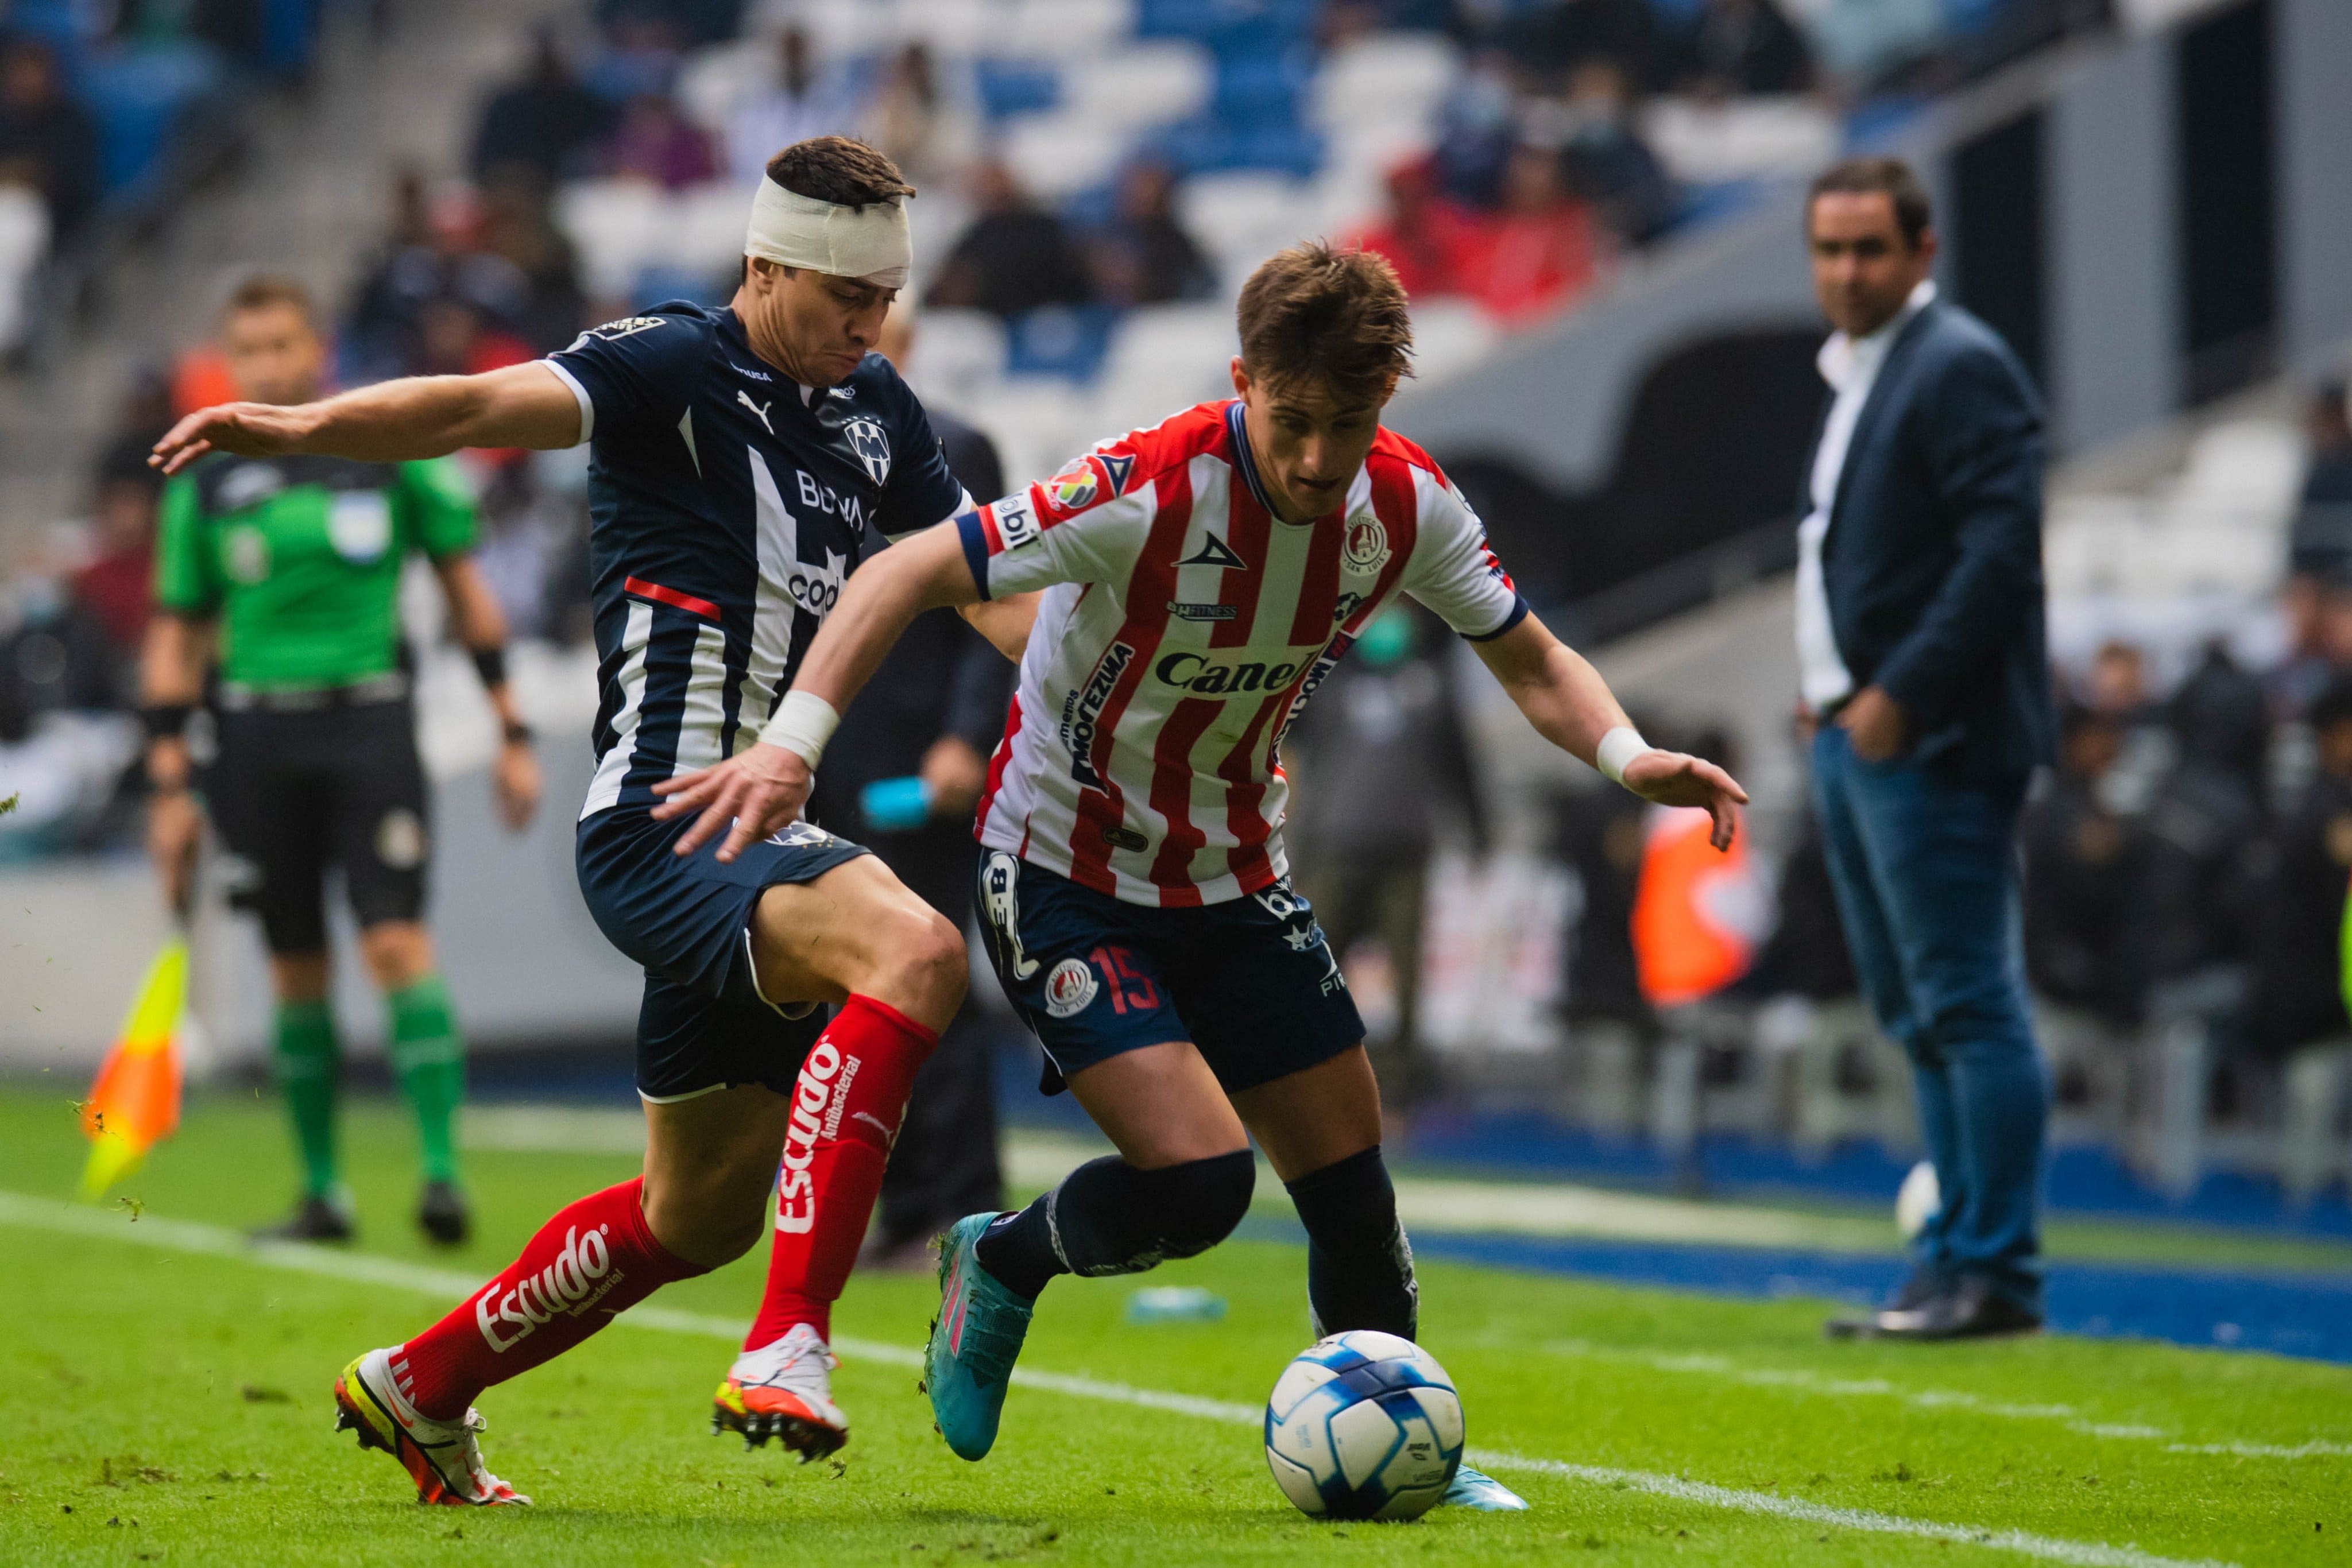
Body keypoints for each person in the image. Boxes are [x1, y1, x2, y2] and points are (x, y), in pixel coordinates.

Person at [675, 241, 1746, 1506]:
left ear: (1382, 407)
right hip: (1059, 871)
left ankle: (1405, 1443)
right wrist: (793, 746)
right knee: (1198, 1184)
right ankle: (1005, 1261)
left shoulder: (1404, 504)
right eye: (1289, 423)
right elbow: (906, 569)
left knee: (1351, 1191)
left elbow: (1528, 657)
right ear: (1242, 381)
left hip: (1235, 879)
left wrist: (1626, 757)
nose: (1311, 460)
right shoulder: (1143, 485)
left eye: (1343, 427)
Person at [149, 138, 1036, 1507]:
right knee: (915, 953)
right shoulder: (672, 363)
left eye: (887, 293)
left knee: (693, 1218)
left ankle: (422, 1384)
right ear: (767, 266)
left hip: (757, 844)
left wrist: (1152, 683)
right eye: (847, 294)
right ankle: (793, 1340)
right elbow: (465, 407)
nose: (871, 322)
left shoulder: (880, 413)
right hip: (665, 825)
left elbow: (992, 594)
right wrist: (304, 427)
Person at [141, 275, 543, 1246]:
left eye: (285, 345)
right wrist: (167, 784)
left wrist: (511, 728)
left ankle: (441, 1175)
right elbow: (179, 635)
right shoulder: (207, 479)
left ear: (318, 347)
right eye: (252, 351)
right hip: (254, 737)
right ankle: (323, 1191)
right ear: (230, 364)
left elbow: (463, 588)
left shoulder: (383, 449)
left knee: (396, 942)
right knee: (294, 966)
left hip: (369, 726)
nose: (270, 366)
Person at [1794, 160, 2055, 1342]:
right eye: (1829, 249)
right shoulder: (1870, 370)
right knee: (1915, 1010)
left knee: (1964, 1003)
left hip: (1929, 733)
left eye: (1868, 249)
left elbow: (2002, 553)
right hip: (1859, 728)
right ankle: (1951, 1260)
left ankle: (1992, 1271)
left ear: (1920, 251)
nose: (1846, 271)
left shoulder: (1954, 363)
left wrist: (1898, 689)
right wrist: (1831, 691)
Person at [822, 309, 1012, 1267]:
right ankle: (894, 1200)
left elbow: (1003, 598)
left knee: (933, 977)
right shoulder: (790, 448)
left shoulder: (954, 444)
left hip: (914, 763)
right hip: (824, 761)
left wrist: (967, 736)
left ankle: (963, 1201)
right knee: (842, 993)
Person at [1285, 599, 1490, 1106]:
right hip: (1336, 845)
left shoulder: (1434, 685)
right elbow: (1291, 751)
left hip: (1407, 850)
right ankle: (1300, 1073)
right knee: (1313, 967)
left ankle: (1395, 1090)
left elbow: (1460, 764)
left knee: (1407, 981)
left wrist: (1480, 833)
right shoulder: (1327, 680)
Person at [924, 159, 1094, 319]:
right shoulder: (978, 235)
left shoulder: (1045, 226)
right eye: (986, 185)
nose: (993, 191)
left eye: (997, 183)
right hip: (998, 324)